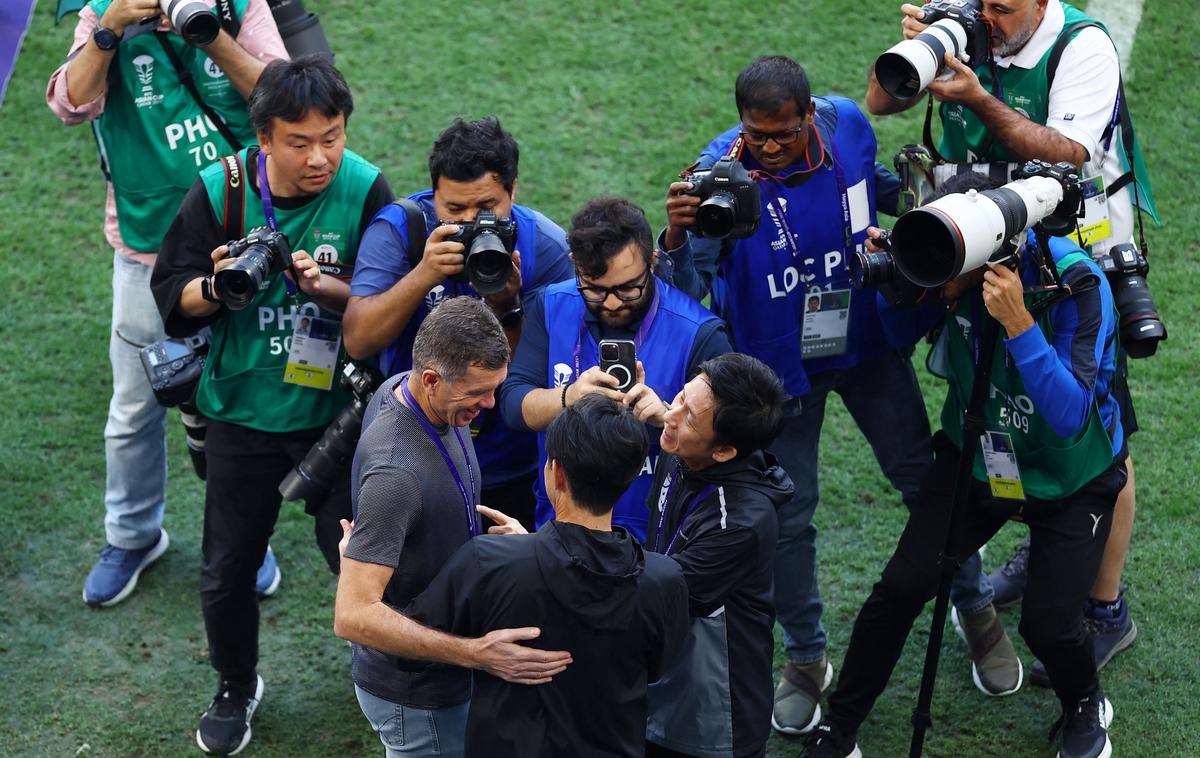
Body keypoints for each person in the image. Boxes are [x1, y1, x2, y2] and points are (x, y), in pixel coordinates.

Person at [661, 55, 1015, 735]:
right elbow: (687, 291)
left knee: (924, 481)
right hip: (776, 372)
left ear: (808, 116)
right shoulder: (718, 176)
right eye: (755, 134)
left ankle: (974, 606)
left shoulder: (848, 125)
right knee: (790, 519)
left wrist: (929, 206)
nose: (767, 147)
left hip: (868, 343)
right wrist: (679, 233)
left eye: (783, 134)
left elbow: (874, 185)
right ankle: (805, 659)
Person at [866, 0, 1157, 679]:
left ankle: (1104, 605)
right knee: (994, 393)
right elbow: (880, 102)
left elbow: (1066, 153)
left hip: (1069, 254)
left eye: (1002, 7)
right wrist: (921, 49)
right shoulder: (965, 16)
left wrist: (976, 95)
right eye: (981, 3)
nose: (987, 17)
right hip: (977, 238)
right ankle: (1052, 548)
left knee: (1099, 424)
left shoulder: (1083, 47)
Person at [803, 173, 1127, 758]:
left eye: (946, 265)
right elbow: (898, 331)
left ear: (991, 250)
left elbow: (1070, 415)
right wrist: (893, 276)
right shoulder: (945, 265)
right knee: (901, 586)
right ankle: (840, 724)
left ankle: (1085, 703)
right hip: (978, 453)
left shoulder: (1077, 282)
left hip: (1072, 475)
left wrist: (1019, 324)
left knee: (1049, 624)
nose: (936, 276)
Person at [150, 56, 394, 755]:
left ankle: (385, 672)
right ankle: (235, 684)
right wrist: (222, 286)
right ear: (263, 139)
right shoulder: (219, 190)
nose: (320, 157)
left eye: (333, 136)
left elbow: (392, 305)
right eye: (299, 141)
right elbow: (172, 301)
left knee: (358, 559)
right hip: (239, 414)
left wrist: (334, 290)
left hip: (338, 417)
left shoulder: (367, 187)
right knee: (227, 569)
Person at [47, 0, 287, 608]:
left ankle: (245, 542)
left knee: (237, 405)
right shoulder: (104, 15)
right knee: (134, 409)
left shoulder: (237, 6)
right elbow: (69, 103)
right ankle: (131, 536)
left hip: (241, 245)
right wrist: (109, 30)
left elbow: (287, 97)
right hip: (146, 253)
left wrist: (206, 33)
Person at [334, 296, 572, 758]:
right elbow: (353, 615)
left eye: (495, 389)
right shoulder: (395, 475)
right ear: (430, 379)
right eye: (477, 393)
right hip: (418, 693)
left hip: (438, 673)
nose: (488, 405)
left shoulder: (415, 394)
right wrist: (478, 653)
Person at [405, 393, 690, 757]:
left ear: (556, 472)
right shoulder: (665, 580)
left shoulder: (487, 562)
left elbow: (405, 649)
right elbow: (657, 668)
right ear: (633, 476)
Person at [344, 117, 572, 531]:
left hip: (511, 465)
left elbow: (541, 376)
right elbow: (359, 339)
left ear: (513, 192)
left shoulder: (545, 248)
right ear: (433, 196)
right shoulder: (401, 231)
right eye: (454, 209)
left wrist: (507, 307)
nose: (470, 224)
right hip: (412, 456)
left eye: (487, 209)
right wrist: (422, 275)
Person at [499, 196, 731, 541]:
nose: (610, 303)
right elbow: (513, 405)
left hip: (657, 541)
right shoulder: (551, 305)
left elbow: (725, 445)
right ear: (574, 263)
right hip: (562, 531)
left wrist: (668, 417)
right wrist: (569, 397)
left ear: (652, 262)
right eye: (594, 288)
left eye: (627, 288)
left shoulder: (699, 333)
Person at [643, 352, 794, 758]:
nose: (670, 415)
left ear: (725, 451)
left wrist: (552, 557)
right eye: (679, 398)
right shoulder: (685, 453)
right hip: (663, 686)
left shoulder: (741, 524)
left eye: (688, 416)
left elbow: (658, 595)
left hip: (713, 717)